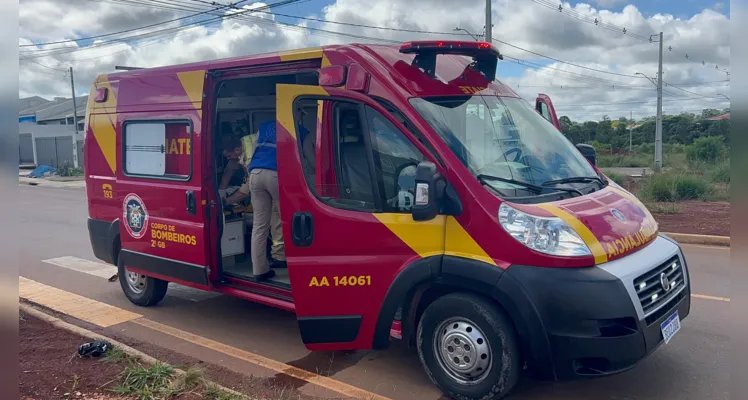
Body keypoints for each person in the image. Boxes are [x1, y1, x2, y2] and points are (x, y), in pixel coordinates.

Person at [222, 128, 285, 279]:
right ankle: (280, 257)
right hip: (276, 176)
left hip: (262, 177)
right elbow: (229, 170)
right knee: (279, 216)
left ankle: (259, 270)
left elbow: (245, 190)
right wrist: (221, 192)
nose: (229, 159)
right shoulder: (249, 141)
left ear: (237, 150)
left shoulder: (250, 156)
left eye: (230, 156)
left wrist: (224, 201)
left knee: (260, 225)